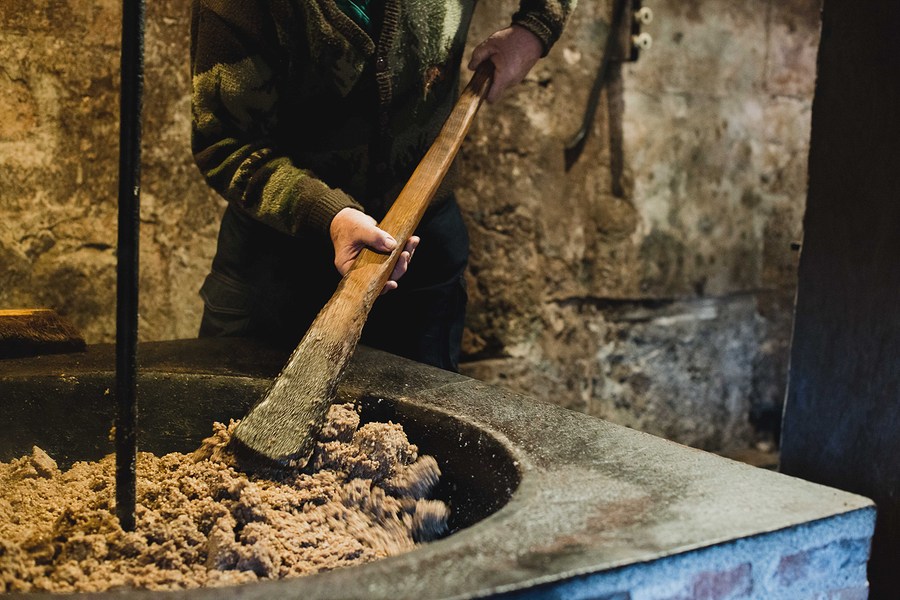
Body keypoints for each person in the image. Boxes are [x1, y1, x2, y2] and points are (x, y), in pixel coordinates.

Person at [191, 0, 573, 371]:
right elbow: (224, 142)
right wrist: (329, 214)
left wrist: (536, 29)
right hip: (276, 259)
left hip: (424, 256)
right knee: (226, 426)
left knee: (421, 431)